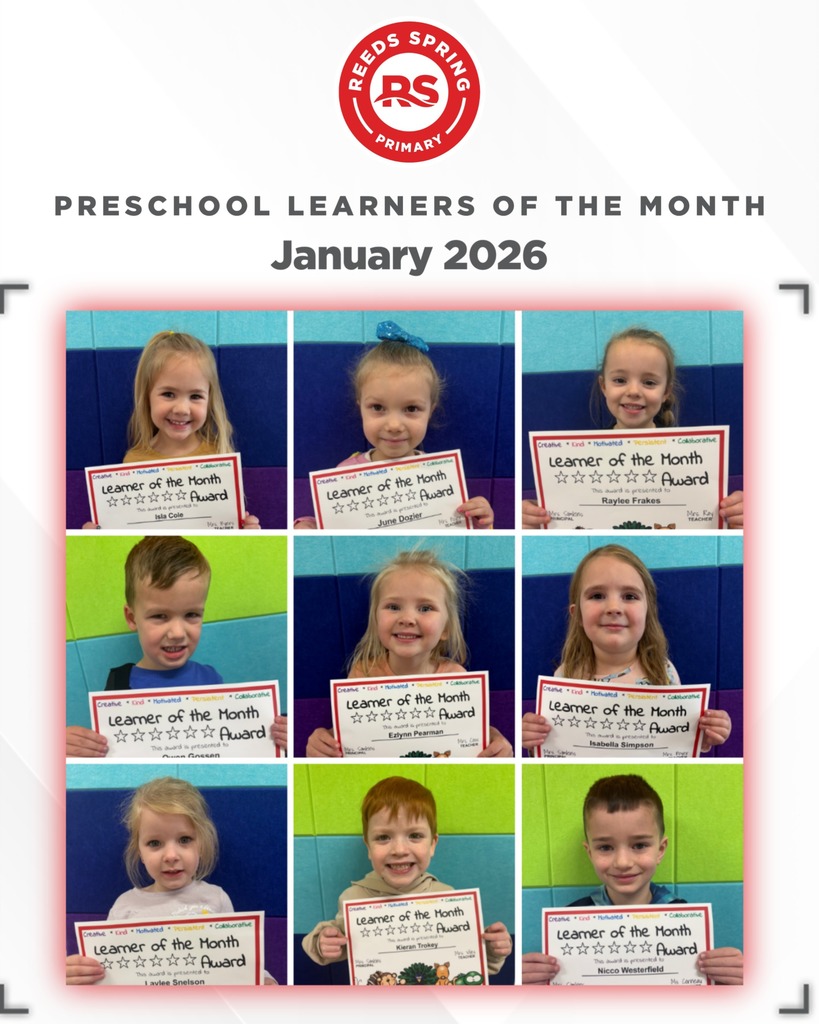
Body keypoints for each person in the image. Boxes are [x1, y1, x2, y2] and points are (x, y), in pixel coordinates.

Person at [65, 536, 287, 757]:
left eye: (191, 614)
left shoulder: (211, 679)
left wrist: (277, 735)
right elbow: (105, 751)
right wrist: (74, 748)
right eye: (160, 616)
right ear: (132, 618)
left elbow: (232, 747)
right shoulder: (117, 684)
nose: (177, 633)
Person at [521, 774, 743, 985]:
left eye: (639, 845)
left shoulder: (686, 923)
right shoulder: (569, 925)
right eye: (605, 847)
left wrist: (728, 984)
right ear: (590, 853)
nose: (623, 862)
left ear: (661, 849)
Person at [523, 327, 743, 529]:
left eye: (649, 382)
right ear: (604, 386)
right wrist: (534, 521)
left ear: (666, 391)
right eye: (620, 380)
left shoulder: (693, 458)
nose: (634, 391)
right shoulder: (577, 459)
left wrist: (735, 519)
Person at [521, 544, 731, 755]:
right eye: (597, 595)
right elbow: (555, 752)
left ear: (647, 612)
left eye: (630, 596)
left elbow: (679, 743)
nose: (614, 607)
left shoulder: (663, 672)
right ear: (577, 616)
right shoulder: (564, 678)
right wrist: (535, 741)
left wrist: (706, 732)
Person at [66, 776, 277, 984]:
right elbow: (108, 974)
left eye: (184, 840)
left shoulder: (215, 898)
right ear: (139, 851)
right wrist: (81, 975)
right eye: (155, 843)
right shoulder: (125, 907)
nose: (171, 856)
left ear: (201, 845)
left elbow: (240, 960)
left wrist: (266, 980)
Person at [305, 550, 511, 757]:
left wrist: (494, 739)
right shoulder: (363, 674)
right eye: (393, 607)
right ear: (376, 620)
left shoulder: (456, 677)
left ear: (446, 628)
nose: (407, 618)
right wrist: (323, 742)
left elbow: (471, 734)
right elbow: (350, 738)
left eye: (425, 608)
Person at [302, 776, 511, 976]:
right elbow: (334, 942)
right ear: (368, 847)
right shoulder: (353, 898)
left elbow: (469, 963)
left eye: (415, 836)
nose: (399, 849)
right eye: (383, 837)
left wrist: (492, 950)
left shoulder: (447, 897)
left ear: (432, 844)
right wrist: (322, 943)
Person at [295, 321, 493, 529]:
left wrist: (479, 521)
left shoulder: (442, 477)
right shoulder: (344, 474)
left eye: (411, 409)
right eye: (378, 407)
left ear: (430, 411)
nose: (394, 425)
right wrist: (307, 526)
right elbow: (333, 524)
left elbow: (458, 527)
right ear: (361, 408)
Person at [85, 330, 259, 528]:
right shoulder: (134, 461)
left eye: (195, 396)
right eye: (168, 394)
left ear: (209, 401)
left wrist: (248, 531)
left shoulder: (219, 458)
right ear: (147, 396)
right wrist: (96, 536)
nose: (182, 409)